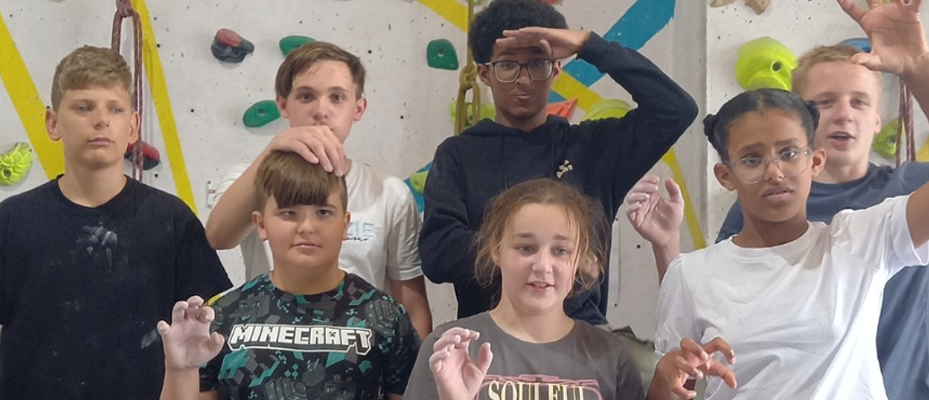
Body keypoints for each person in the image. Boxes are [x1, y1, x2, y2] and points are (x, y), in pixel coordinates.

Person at [645, 1, 929, 398]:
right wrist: (665, 378)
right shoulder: (695, 270)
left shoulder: (861, 239)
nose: (774, 171)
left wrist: (918, 66)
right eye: (752, 159)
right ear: (726, 175)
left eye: (788, 153)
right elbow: (677, 377)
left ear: (814, 161)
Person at [419, 0, 698, 325]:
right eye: (508, 65)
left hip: (582, 339)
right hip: (489, 341)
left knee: (641, 358)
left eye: (537, 64)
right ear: (484, 74)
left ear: (556, 69)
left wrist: (589, 44)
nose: (524, 80)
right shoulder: (459, 154)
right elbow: (438, 253)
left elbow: (675, 110)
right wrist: (547, 255)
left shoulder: (594, 149)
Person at [0, 46, 233, 399]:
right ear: (53, 123)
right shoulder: (12, 221)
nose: (101, 120)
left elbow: (201, 346)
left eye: (115, 108)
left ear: (133, 125)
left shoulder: (172, 220)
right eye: (83, 107)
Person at [205, 41, 432, 337]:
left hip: (362, 354)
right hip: (267, 351)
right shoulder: (249, 177)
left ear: (358, 108)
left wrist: (418, 366)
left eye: (337, 97)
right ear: (283, 105)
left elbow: (412, 305)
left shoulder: (389, 193)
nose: (321, 110)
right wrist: (273, 148)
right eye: (306, 96)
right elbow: (218, 237)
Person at [158, 151, 421, 399]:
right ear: (261, 224)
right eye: (288, 213)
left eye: (323, 212)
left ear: (345, 224)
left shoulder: (385, 317)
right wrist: (179, 370)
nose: (306, 227)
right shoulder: (222, 317)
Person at [404, 178, 644, 400]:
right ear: (496, 249)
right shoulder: (451, 349)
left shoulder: (611, 357)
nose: (542, 266)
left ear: (580, 258)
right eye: (526, 248)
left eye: (560, 251)